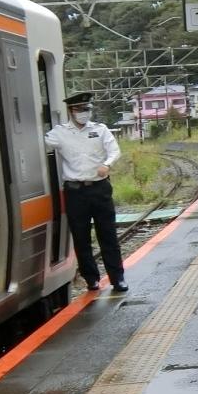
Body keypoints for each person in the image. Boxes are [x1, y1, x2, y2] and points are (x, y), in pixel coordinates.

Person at [45, 92, 128, 292]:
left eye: (87, 109)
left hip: (100, 188)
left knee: (108, 234)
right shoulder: (59, 133)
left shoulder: (100, 130)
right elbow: (41, 143)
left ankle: (117, 278)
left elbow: (115, 150)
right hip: (75, 192)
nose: (84, 113)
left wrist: (107, 164)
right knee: (81, 237)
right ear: (70, 111)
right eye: (80, 109)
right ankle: (91, 279)